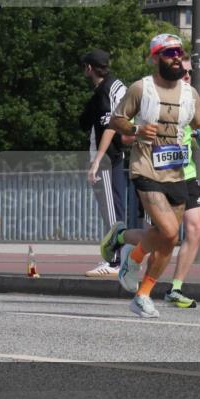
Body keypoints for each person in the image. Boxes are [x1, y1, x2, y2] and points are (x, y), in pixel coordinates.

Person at [104, 33, 200, 318]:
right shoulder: (141, 89)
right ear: (156, 58)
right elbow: (116, 120)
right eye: (169, 53)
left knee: (168, 240)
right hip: (146, 169)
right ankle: (133, 256)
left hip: (176, 173)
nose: (176, 56)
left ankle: (142, 293)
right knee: (168, 230)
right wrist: (136, 130)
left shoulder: (190, 95)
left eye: (179, 51)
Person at [79, 49, 127, 277]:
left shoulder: (103, 94)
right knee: (114, 208)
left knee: (110, 211)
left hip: (108, 159)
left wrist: (96, 161)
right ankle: (119, 259)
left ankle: (115, 261)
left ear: (89, 68)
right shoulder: (116, 85)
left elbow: (109, 127)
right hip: (116, 157)